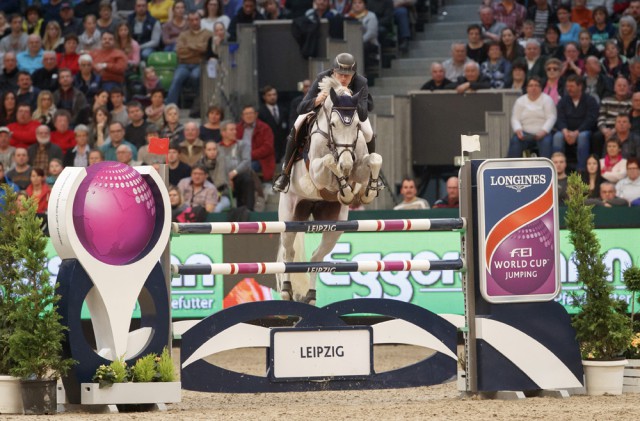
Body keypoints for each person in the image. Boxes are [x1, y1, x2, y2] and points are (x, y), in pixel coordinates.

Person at [274, 53, 374, 193]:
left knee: (369, 132)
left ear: (354, 74)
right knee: (297, 126)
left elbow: (363, 115)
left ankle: (372, 175)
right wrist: (317, 100)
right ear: (333, 71)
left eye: (348, 75)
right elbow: (301, 108)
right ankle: (285, 173)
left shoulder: (360, 82)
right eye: (340, 74)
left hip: (351, 115)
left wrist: (350, 96)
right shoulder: (323, 77)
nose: (344, 78)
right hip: (323, 113)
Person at [166, 11, 212, 107]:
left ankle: (199, 105)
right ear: (188, 22)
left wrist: (189, 46)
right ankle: (170, 108)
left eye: (196, 19)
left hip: (200, 64)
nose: (194, 22)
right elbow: (180, 52)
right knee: (176, 79)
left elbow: (205, 49)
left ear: (200, 20)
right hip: (183, 64)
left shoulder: (208, 34)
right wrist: (197, 50)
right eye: (191, 20)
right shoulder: (183, 35)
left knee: (195, 76)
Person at [553, 74, 598, 171]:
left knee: (582, 137)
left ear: (580, 86)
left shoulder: (590, 100)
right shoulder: (563, 101)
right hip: (566, 131)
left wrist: (576, 132)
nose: (569, 89)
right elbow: (559, 118)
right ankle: (557, 169)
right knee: (557, 136)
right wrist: (565, 131)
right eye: (567, 86)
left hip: (583, 130)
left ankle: (581, 170)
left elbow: (591, 120)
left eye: (572, 86)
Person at [508, 76, 556, 159]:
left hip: (543, 133)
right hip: (524, 133)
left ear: (541, 88)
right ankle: (511, 167)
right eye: (531, 85)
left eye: (536, 85)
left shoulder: (547, 100)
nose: (533, 88)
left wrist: (543, 131)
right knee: (515, 141)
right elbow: (515, 118)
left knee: (546, 143)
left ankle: (546, 169)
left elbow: (551, 117)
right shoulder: (520, 101)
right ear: (527, 88)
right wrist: (518, 129)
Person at [217, 120, 255, 210]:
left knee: (247, 179)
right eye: (231, 130)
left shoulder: (242, 144)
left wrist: (234, 173)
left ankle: (247, 210)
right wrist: (226, 178)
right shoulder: (216, 147)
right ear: (223, 133)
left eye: (235, 129)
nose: (235, 132)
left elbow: (246, 162)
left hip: (238, 178)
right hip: (220, 180)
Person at [592, 77, 632, 156]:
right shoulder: (606, 100)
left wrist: (614, 131)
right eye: (619, 85)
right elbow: (601, 118)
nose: (622, 88)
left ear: (628, 88)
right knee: (596, 137)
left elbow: (627, 119)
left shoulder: (630, 103)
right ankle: (598, 162)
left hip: (621, 128)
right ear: (614, 88)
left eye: (624, 86)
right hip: (606, 128)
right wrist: (604, 130)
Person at [236, 104, 275, 182]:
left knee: (245, 168)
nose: (248, 116)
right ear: (242, 116)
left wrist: (249, 155)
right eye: (246, 114)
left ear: (256, 114)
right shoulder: (237, 128)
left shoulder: (265, 128)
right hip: (239, 158)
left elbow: (267, 147)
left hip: (259, 159)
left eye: (251, 113)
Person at [196, 140, 230, 211]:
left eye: (214, 149)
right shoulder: (200, 163)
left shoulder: (223, 161)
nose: (212, 152)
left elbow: (222, 183)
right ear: (205, 151)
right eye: (209, 150)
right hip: (203, 195)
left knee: (215, 209)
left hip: (222, 195)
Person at [258, 85, 288, 164]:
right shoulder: (260, 112)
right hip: (269, 147)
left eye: (274, 94)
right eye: (269, 95)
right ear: (264, 97)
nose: (272, 97)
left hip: (283, 147)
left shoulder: (283, 110)